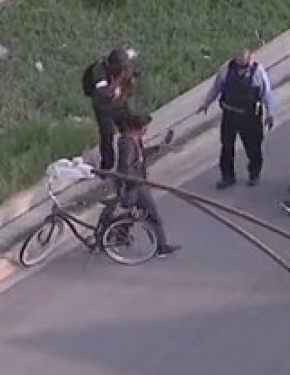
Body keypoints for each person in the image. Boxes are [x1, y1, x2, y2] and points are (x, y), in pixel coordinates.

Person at [96, 112, 180, 257]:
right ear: (139, 127)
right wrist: (134, 181)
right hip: (135, 187)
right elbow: (126, 166)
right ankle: (160, 247)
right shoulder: (128, 143)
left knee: (131, 215)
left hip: (136, 185)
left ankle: (112, 237)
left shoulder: (134, 140)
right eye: (146, 126)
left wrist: (157, 148)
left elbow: (140, 155)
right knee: (151, 215)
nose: (147, 129)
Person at [198, 49, 276, 189]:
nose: (240, 63)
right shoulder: (226, 70)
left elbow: (267, 94)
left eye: (243, 57)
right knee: (227, 148)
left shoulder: (258, 72)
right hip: (230, 117)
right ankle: (227, 177)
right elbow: (216, 88)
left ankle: (254, 174)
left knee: (253, 148)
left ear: (250, 56)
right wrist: (206, 104)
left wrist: (270, 114)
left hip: (250, 118)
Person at [84, 48, 134, 171]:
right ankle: (107, 164)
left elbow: (130, 82)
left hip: (118, 99)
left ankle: (133, 153)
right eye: (120, 67)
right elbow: (103, 93)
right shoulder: (99, 70)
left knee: (128, 125)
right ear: (113, 65)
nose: (122, 70)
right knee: (107, 132)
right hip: (101, 103)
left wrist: (127, 81)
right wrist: (119, 79)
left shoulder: (122, 70)